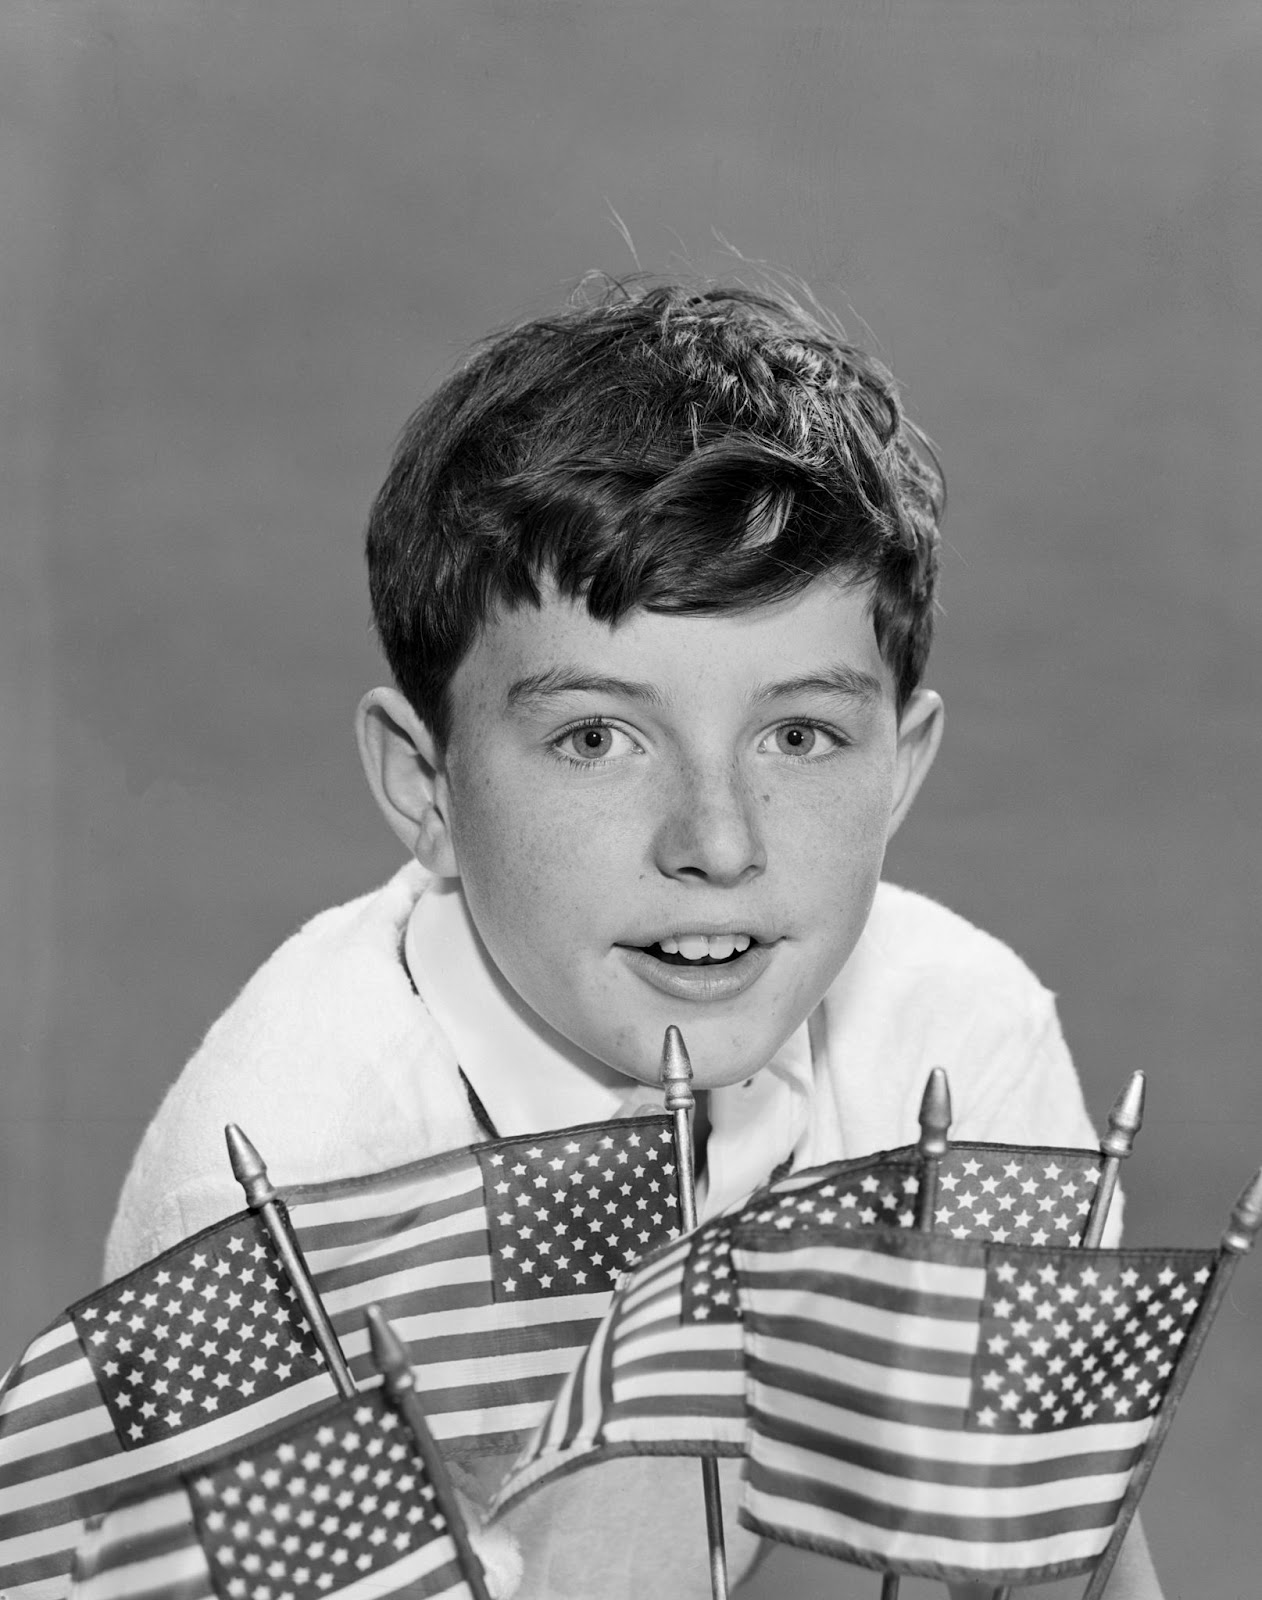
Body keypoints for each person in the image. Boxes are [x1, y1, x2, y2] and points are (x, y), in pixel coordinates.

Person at [105, 279, 1161, 1597]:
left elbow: (1063, 1555)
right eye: (595, 739)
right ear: (421, 783)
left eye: (798, 736)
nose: (716, 842)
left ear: (900, 763)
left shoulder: (959, 1034)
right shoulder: (274, 1204)